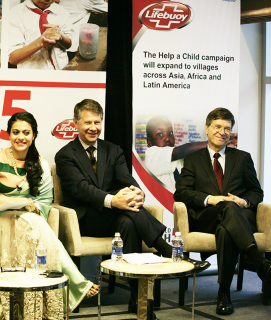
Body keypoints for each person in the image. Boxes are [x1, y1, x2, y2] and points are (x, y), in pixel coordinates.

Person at [55, 99, 207, 315]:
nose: (93, 128)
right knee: (129, 215)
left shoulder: (113, 150)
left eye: (97, 122)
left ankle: (138, 299)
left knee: (129, 222)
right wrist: (112, 200)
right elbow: (80, 189)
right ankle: (173, 251)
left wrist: (138, 192)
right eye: (88, 122)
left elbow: (126, 179)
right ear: (76, 123)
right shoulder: (65, 154)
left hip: (116, 217)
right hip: (86, 219)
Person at [0, 112, 99, 317]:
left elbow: (45, 202)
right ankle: (76, 281)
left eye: (26, 133)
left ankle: (31, 299)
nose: (21, 137)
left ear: (34, 135)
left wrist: (28, 208)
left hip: (26, 218)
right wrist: (21, 203)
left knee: (31, 222)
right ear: (9, 135)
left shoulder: (40, 163)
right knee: (31, 221)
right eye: (16, 132)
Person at [174, 107, 271, 315]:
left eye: (227, 128)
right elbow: (181, 193)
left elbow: (256, 192)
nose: (222, 132)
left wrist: (244, 202)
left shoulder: (243, 158)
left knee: (226, 228)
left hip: (238, 217)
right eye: (217, 127)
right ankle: (259, 262)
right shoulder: (193, 159)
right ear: (207, 129)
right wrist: (210, 199)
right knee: (226, 206)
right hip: (206, 217)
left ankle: (223, 293)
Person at [145, 115, 206, 192]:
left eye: (170, 133)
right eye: (160, 135)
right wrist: (212, 144)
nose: (167, 138)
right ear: (149, 142)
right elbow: (185, 149)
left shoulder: (179, 158)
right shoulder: (151, 154)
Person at [8, 0, 73, 69]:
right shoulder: (14, 14)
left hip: (61, 69)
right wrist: (39, 42)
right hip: (33, 75)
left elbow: (68, 44)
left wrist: (61, 37)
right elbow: (13, 59)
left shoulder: (63, 12)